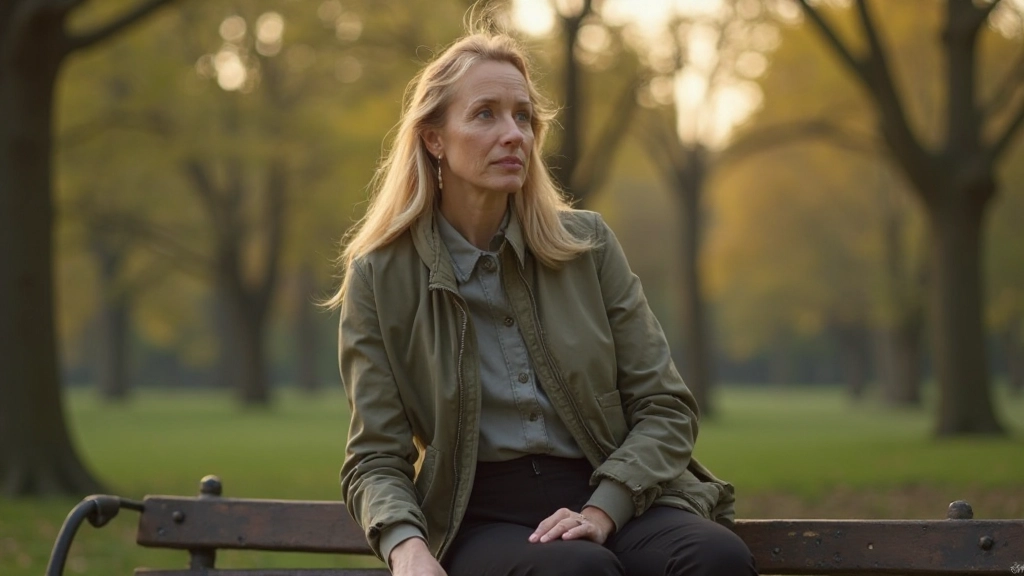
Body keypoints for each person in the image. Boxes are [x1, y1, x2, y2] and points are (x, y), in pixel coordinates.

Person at [327, 24, 758, 576]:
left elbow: (665, 407)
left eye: (523, 116)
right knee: (576, 571)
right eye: (486, 114)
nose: (514, 134)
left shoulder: (588, 245)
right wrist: (407, 549)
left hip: (614, 490)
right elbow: (374, 459)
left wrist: (604, 508)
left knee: (715, 557)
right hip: (478, 515)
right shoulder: (379, 276)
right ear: (434, 137)